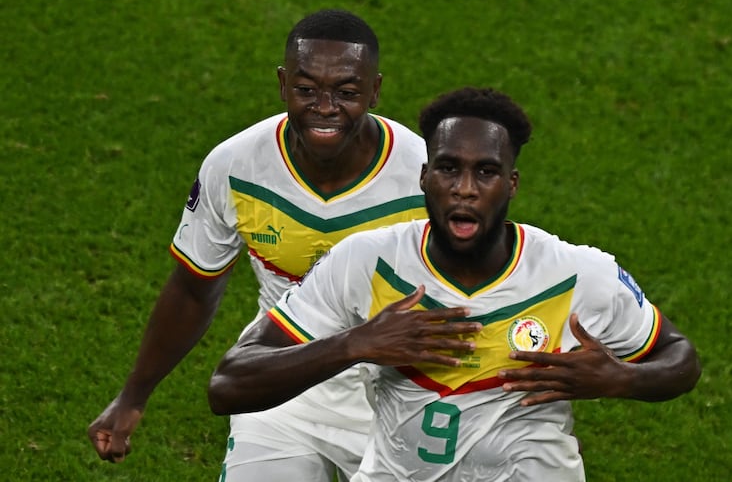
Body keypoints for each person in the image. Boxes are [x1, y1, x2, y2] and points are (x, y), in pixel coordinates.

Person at [208, 87, 702, 481]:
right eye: (449, 168)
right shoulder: (366, 262)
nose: (464, 188)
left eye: (485, 172)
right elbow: (228, 385)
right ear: (424, 176)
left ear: (511, 184)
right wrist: (354, 345)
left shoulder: (576, 274)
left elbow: (679, 357)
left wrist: (621, 379)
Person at [87, 9, 430, 481]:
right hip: (282, 377)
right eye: (306, 89)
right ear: (283, 84)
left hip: (399, 394)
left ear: (374, 91)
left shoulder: (425, 176)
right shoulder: (237, 164)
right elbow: (193, 290)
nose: (325, 106)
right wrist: (133, 396)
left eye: (347, 93)